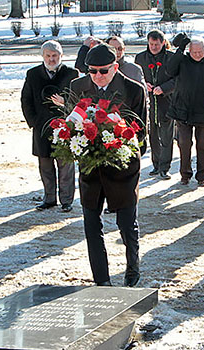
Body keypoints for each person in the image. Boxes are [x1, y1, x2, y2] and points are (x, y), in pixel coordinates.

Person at [70, 43, 148, 287]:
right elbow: (71, 126)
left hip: (122, 168)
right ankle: (101, 280)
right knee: (91, 225)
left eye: (103, 71)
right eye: (92, 71)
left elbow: (141, 132)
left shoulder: (133, 89)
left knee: (126, 224)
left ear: (115, 67)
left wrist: (121, 149)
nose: (97, 76)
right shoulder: (78, 87)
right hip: (90, 168)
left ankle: (132, 268)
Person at [21, 41, 79, 213]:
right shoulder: (32, 74)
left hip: (65, 126)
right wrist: (34, 122)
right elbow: (26, 100)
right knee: (45, 164)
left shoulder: (72, 74)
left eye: (55, 56)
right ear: (43, 56)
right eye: (48, 56)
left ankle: (67, 200)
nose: (52, 59)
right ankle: (49, 198)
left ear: (61, 56)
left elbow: (80, 99)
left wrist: (66, 104)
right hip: (42, 127)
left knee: (65, 165)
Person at [166, 35, 204, 187]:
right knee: (184, 143)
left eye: (200, 52)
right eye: (194, 52)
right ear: (189, 50)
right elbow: (169, 70)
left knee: (203, 145)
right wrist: (180, 49)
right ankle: (185, 174)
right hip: (182, 108)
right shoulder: (182, 60)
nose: (197, 55)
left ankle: (202, 174)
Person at [135, 30, 176, 180]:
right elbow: (137, 77)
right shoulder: (141, 58)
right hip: (149, 102)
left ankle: (165, 166)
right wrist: (144, 84)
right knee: (153, 134)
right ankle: (156, 163)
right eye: (151, 44)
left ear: (163, 43)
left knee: (166, 135)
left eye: (156, 44)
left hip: (166, 100)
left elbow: (177, 79)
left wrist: (163, 88)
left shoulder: (170, 58)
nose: (153, 47)